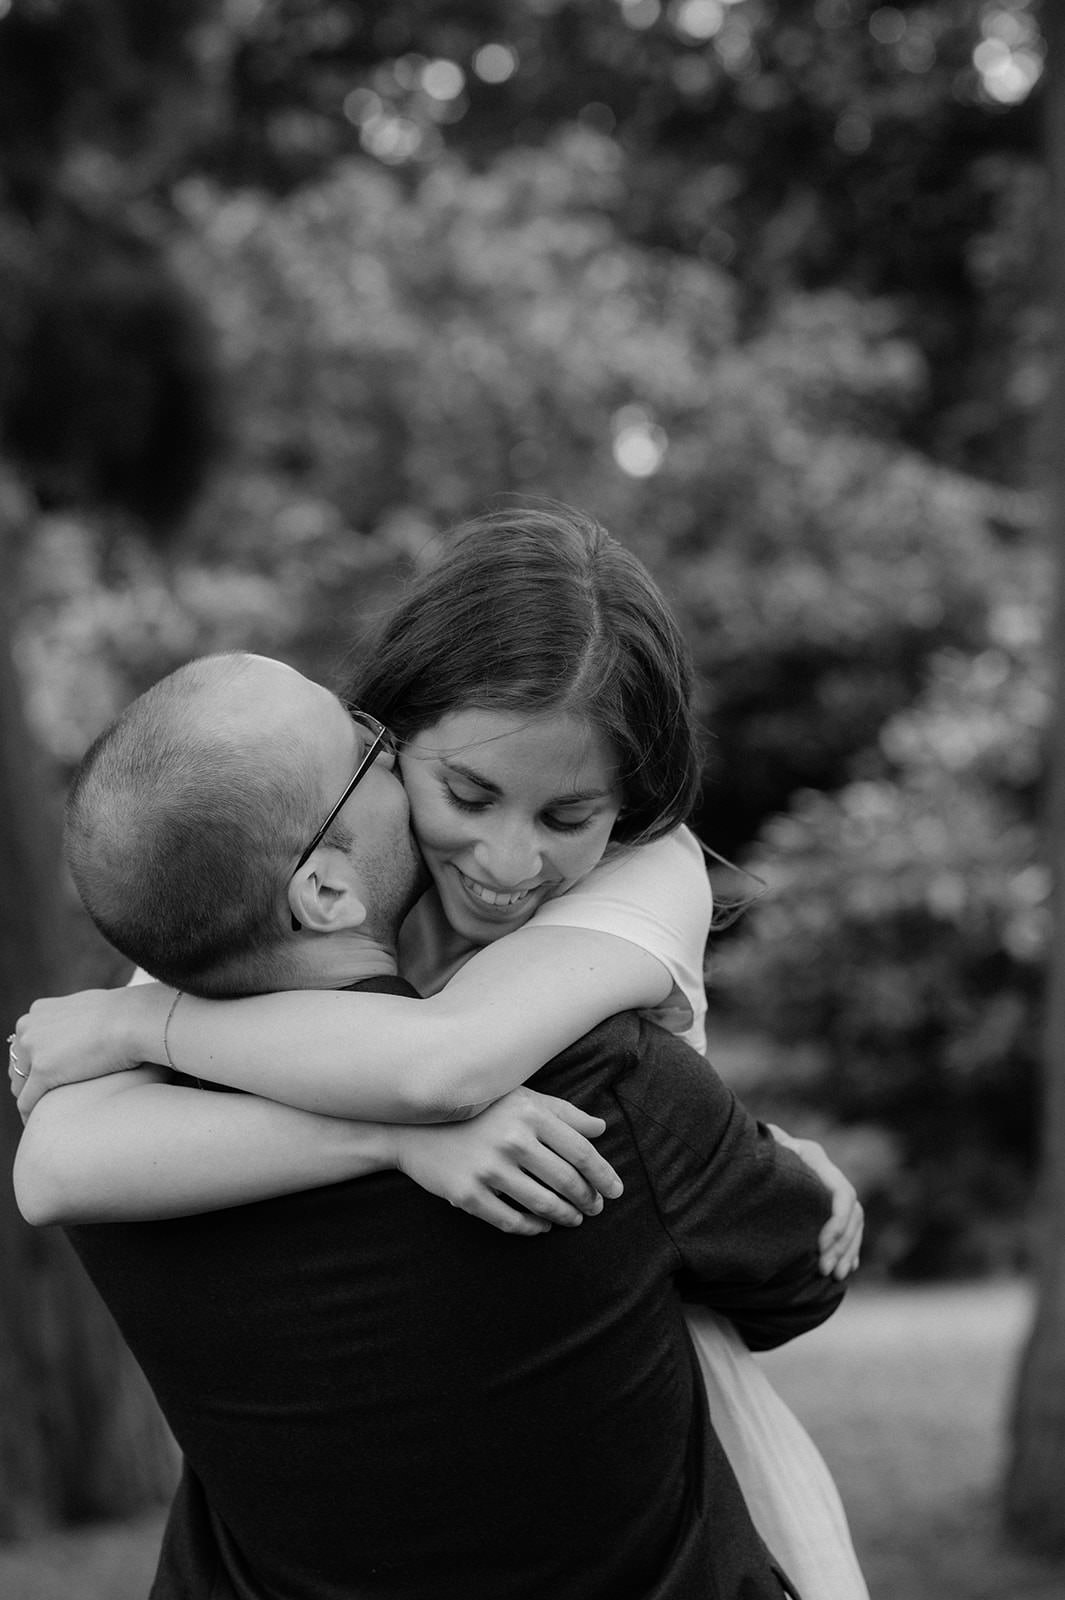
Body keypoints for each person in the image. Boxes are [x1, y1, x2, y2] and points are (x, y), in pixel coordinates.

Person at [11, 506, 868, 1596]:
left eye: (570, 815)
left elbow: (445, 1063)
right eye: (461, 792)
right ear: (397, 737)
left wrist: (137, 1024)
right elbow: (54, 1166)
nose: (510, 860)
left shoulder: (158, 1084)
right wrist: (394, 1140)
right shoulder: (594, 1082)